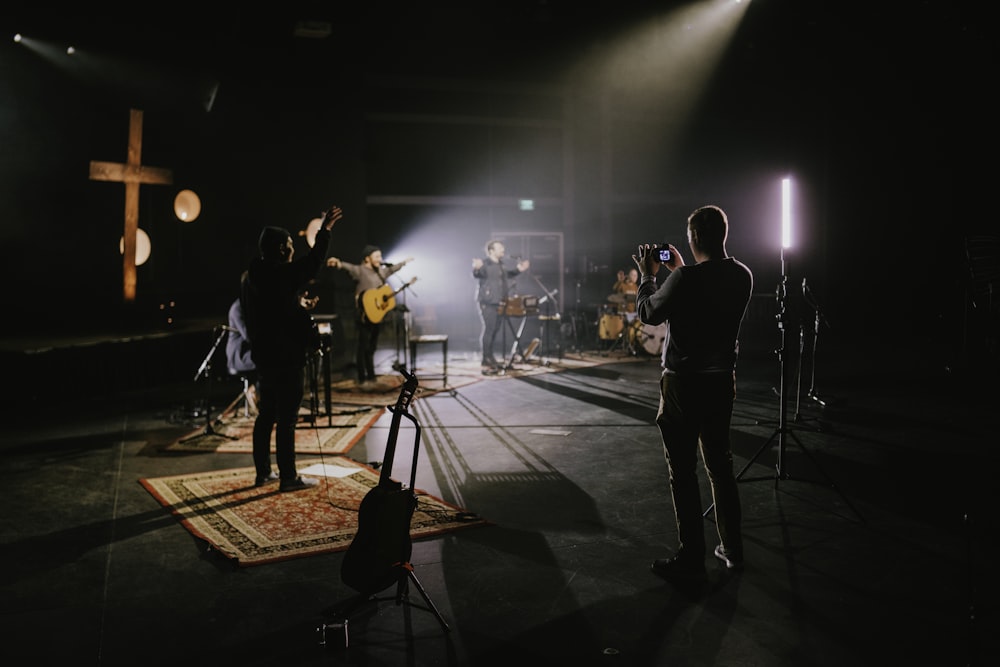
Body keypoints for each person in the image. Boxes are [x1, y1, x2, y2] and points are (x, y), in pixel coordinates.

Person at [633, 204, 753, 583]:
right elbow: (705, 287)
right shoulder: (743, 275)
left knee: (682, 472)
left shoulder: (683, 279)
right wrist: (678, 270)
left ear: (695, 237)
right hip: (721, 380)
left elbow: (648, 313)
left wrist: (649, 276)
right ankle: (732, 549)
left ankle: (691, 557)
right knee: (721, 467)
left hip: (684, 383)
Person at [241, 204, 342, 492]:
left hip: (264, 356)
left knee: (267, 415)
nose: (292, 249)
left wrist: (296, 308)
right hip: (286, 357)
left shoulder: (252, 278)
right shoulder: (280, 274)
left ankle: (263, 472)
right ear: (281, 249)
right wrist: (325, 230)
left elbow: (273, 309)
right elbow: (313, 262)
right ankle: (288, 477)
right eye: (289, 245)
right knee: (286, 419)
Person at [327, 246, 414, 389]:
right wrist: (337, 263)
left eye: (380, 256)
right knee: (363, 346)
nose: (380, 260)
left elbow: (392, 270)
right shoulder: (361, 270)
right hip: (363, 315)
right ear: (367, 258)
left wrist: (404, 262)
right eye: (377, 257)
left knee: (372, 347)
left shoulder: (380, 272)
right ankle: (362, 378)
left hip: (376, 315)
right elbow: (348, 267)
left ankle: (371, 376)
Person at [472, 240, 529, 374]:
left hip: (499, 301)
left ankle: (488, 357)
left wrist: (518, 270)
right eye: (500, 248)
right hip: (487, 301)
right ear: (491, 251)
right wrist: (476, 268)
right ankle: (486, 357)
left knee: (495, 329)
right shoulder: (485, 264)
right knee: (490, 329)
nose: (503, 250)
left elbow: (508, 275)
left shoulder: (501, 265)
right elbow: (477, 274)